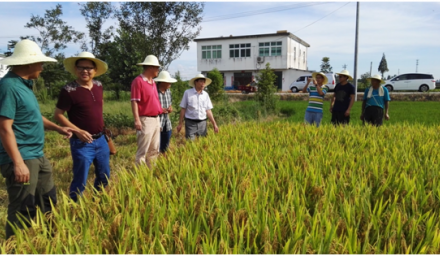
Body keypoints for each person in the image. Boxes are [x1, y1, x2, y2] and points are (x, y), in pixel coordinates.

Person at [0, 39, 73, 239]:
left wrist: (58, 128)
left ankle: (48, 245)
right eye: (39, 63)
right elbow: (5, 128)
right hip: (23, 156)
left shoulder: (25, 86)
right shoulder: (8, 86)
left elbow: (34, 116)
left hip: (37, 155)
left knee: (48, 203)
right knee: (23, 209)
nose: (42, 68)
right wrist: (18, 163)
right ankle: (15, 248)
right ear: (27, 63)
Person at [54, 52, 110, 202]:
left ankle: (98, 202)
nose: (85, 71)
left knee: (104, 176)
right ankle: (74, 208)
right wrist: (77, 131)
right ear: (75, 69)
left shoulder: (99, 86)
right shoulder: (69, 90)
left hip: (101, 139)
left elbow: (98, 109)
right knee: (80, 179)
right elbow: (58, 115)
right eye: (81, 67)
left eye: (88, 68)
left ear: (95, 70)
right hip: (82, 143)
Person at [131, 55, 162, 167]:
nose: (158, 70)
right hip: (145, 119)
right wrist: (137, 120)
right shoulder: (138, 81)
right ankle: (141, 175)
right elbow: (134, 101)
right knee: (143, 151)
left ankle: (151, 173)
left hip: (155, 119)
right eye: (157, 68)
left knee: (154, 149)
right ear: (150, 68)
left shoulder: (153, 83)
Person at [177, 74, 219, 139]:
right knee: (190, 143)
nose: (203, 84)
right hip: (190, 122)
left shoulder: (205, 94)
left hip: (202, 123)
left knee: (202, 143)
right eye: (201, 81)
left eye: (204, 82)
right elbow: (183, 109)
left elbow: (208, 110)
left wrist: (214, 124)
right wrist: (180, 123)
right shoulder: (187, 93)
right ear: (195, 82)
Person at [154, 71, 177, 153]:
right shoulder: (154, 91)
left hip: (167, 123)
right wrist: (159, 110)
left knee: (165, 146)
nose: (170, 83)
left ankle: (163, 161)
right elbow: (150, 107)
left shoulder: (168, 92)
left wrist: (170, 108)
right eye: (168, 81)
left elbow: (170, 104)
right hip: (157, 122)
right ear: (162, 82)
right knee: (155, 147)